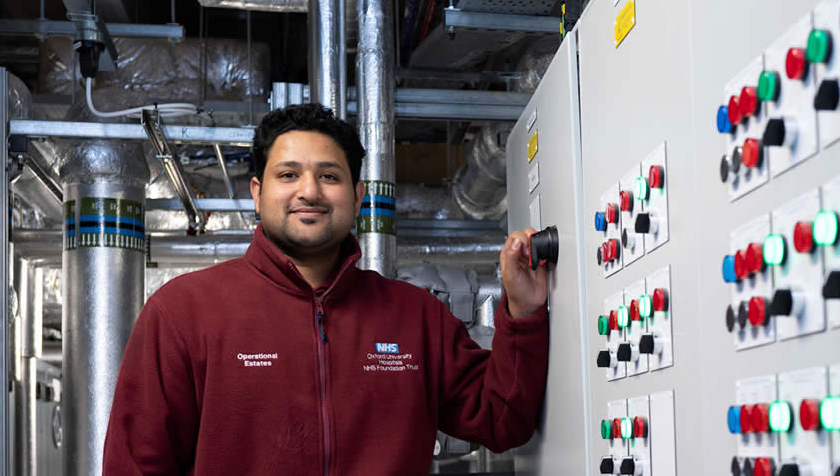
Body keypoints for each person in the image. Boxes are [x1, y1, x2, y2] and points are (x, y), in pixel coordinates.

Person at [102, 103, 551, 475]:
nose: (310, 191)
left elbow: (502, 419)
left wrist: (524, 312)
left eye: (330, 176)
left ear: (357, 197)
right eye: (288, 175)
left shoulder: (415, 317)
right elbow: (137, 465)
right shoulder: (184, 311)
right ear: (258, 193)